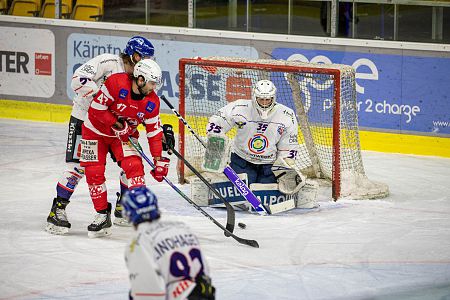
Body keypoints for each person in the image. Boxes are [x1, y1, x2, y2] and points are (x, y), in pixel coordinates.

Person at [45, 36, 155, 235]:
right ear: (133, 54)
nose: (146, 61)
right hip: (86, 121)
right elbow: (78, 80)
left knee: (130, 163)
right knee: (78, 168)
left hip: (117, 127)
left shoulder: (140, 75)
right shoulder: (108, 62)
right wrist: (103, 100)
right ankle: (57, 210)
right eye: (143, 56)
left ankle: (123, 207)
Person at [78, 58, 174, 238]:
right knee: (93, 172)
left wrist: (158, 159)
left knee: (135, 168)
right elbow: (96, 110)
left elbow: (153, 131)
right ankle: (101, 215)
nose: (154, 88)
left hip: (123, 136)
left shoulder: (152, 102)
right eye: (152, 83)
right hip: (94, 131)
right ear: (140, 79)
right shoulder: (116, 83)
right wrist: (117, 124)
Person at [206, 79, 304, 190]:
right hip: (242, 160)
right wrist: (216, 142)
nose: (264, 103)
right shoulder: (240, 107)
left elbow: (288, 145)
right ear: (254, 97)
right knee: (240, 192)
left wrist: (285, 166)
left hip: (268, 165)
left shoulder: (286, 115)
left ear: (273, 98)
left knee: (264, 193)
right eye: (261, 99)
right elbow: (217, 121)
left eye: (268, 100)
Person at [122, 186, 215, 300]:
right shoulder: (182, 228)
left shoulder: (139, 241)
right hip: (204, 293)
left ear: (128, 213)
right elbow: (205, 272)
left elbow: (149, 292)